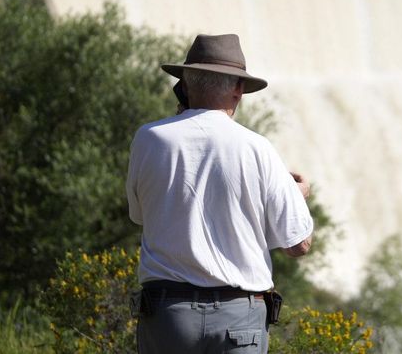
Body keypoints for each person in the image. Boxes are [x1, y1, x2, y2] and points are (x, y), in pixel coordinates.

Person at [126, 34, 314, 353]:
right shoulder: (258, 148)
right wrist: (297, 195)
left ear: (184, 84)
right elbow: (298, 245)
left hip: (169, 313)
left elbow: (140, 215)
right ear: (238, 89)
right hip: (239, 315)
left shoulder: (149, 139)